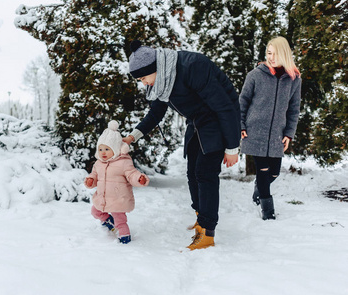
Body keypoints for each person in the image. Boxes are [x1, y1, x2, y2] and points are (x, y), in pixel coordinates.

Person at [122, 40, 241, 250]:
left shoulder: (192, 67)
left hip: (216, 119)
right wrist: (132, 137)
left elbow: (225, 106)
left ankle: (207, 232)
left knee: (205, 174)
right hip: (196, 122)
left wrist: (232, 147)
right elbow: (156, 113)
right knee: (192, 173)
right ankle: (200, 217)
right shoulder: (162, 81)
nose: (144, 83)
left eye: (143, 78)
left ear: (155, 69)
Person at [239, 36, 301, 220]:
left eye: (275, 53)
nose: (271, 57)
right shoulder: (255, 75)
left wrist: (289, 134)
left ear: (284, 54)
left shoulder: (294, 79)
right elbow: (242, 102)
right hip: (254, 130)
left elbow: (294, 109)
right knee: (263, 170)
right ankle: (268, 210)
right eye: (269, 53)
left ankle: (259, 188)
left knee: (273, 172)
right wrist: (241, 125)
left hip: (277, 133)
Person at [85, 120, 149, 244]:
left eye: (107, 149)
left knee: (120, 219)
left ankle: (125, 236)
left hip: (118, 198)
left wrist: (139, 179)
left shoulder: (123, 161)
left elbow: (132, 174)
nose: (103, 152)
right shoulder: (98, 164)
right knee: (95, 211)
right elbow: (94, 176)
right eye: (101, 149)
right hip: (102, 197)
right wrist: (90, 181)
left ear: (115, 149)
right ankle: (108, 220)